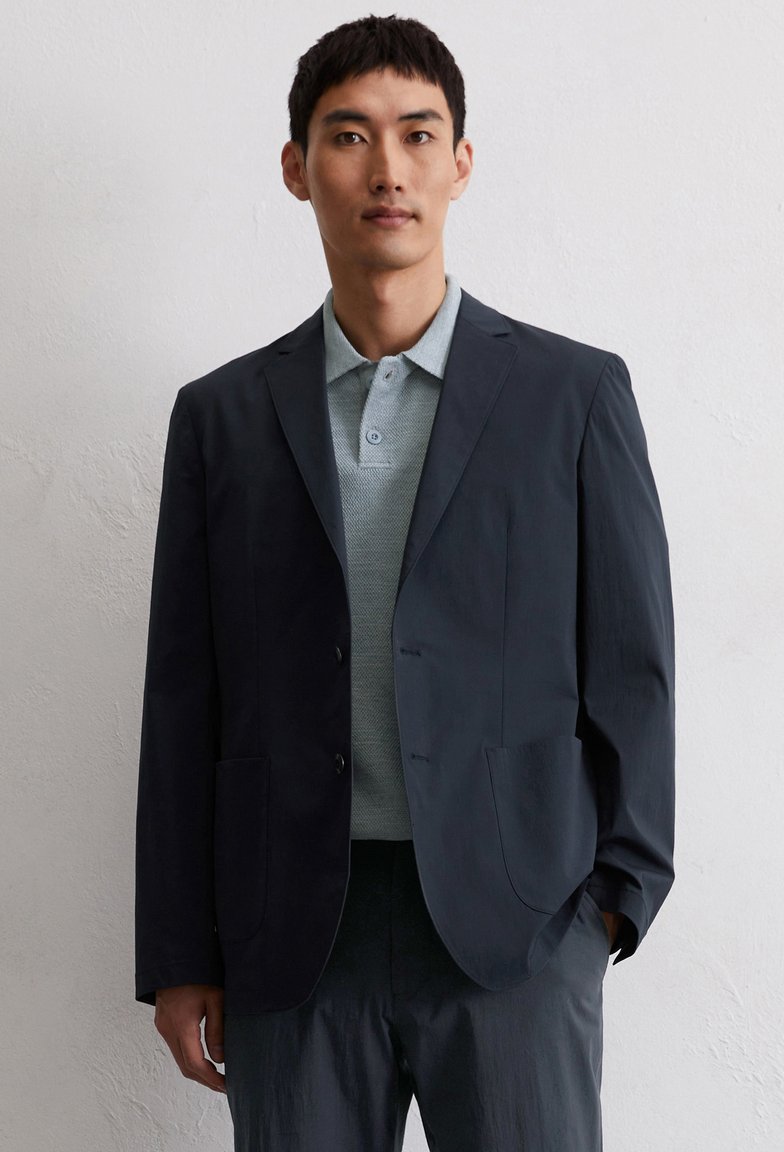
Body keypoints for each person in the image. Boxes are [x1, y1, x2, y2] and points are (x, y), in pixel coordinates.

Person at [134, 14, 675, 1151]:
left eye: (418, 134)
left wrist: (608, 909)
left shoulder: (572, 398)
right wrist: (179, 952)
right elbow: (185, 701)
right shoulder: (222, 418)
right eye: (349, 136)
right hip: (292, 938)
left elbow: (632, 669)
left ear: (459, 163)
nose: (387, 168)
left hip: (517, 930)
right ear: (298, 168)